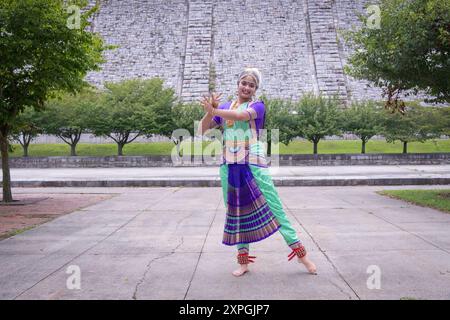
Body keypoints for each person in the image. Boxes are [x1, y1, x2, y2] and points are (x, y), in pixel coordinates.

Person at [197, 67, 317, 277]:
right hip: (229, 165)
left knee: (274, 206)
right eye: (244, 83)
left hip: (253, 162)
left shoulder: (257, 106)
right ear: (238, 84)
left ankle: (301, 255)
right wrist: (210, 111)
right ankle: (243, 262)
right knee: (236, 212)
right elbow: (202, 130)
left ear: (255, 89)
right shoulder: (225, 106)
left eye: (251, 85)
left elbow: (241, 116)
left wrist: (215, 111)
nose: (247, 87)